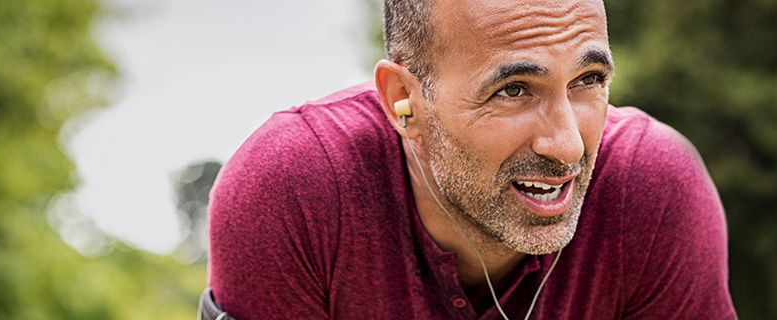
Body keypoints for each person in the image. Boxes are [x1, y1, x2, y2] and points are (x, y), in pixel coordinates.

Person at [203, 0, 738, 319]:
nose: (568, 145)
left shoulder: (655, 188)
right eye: (512, 90)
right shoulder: (294, 188)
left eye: (588, 80)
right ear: (402, 101)